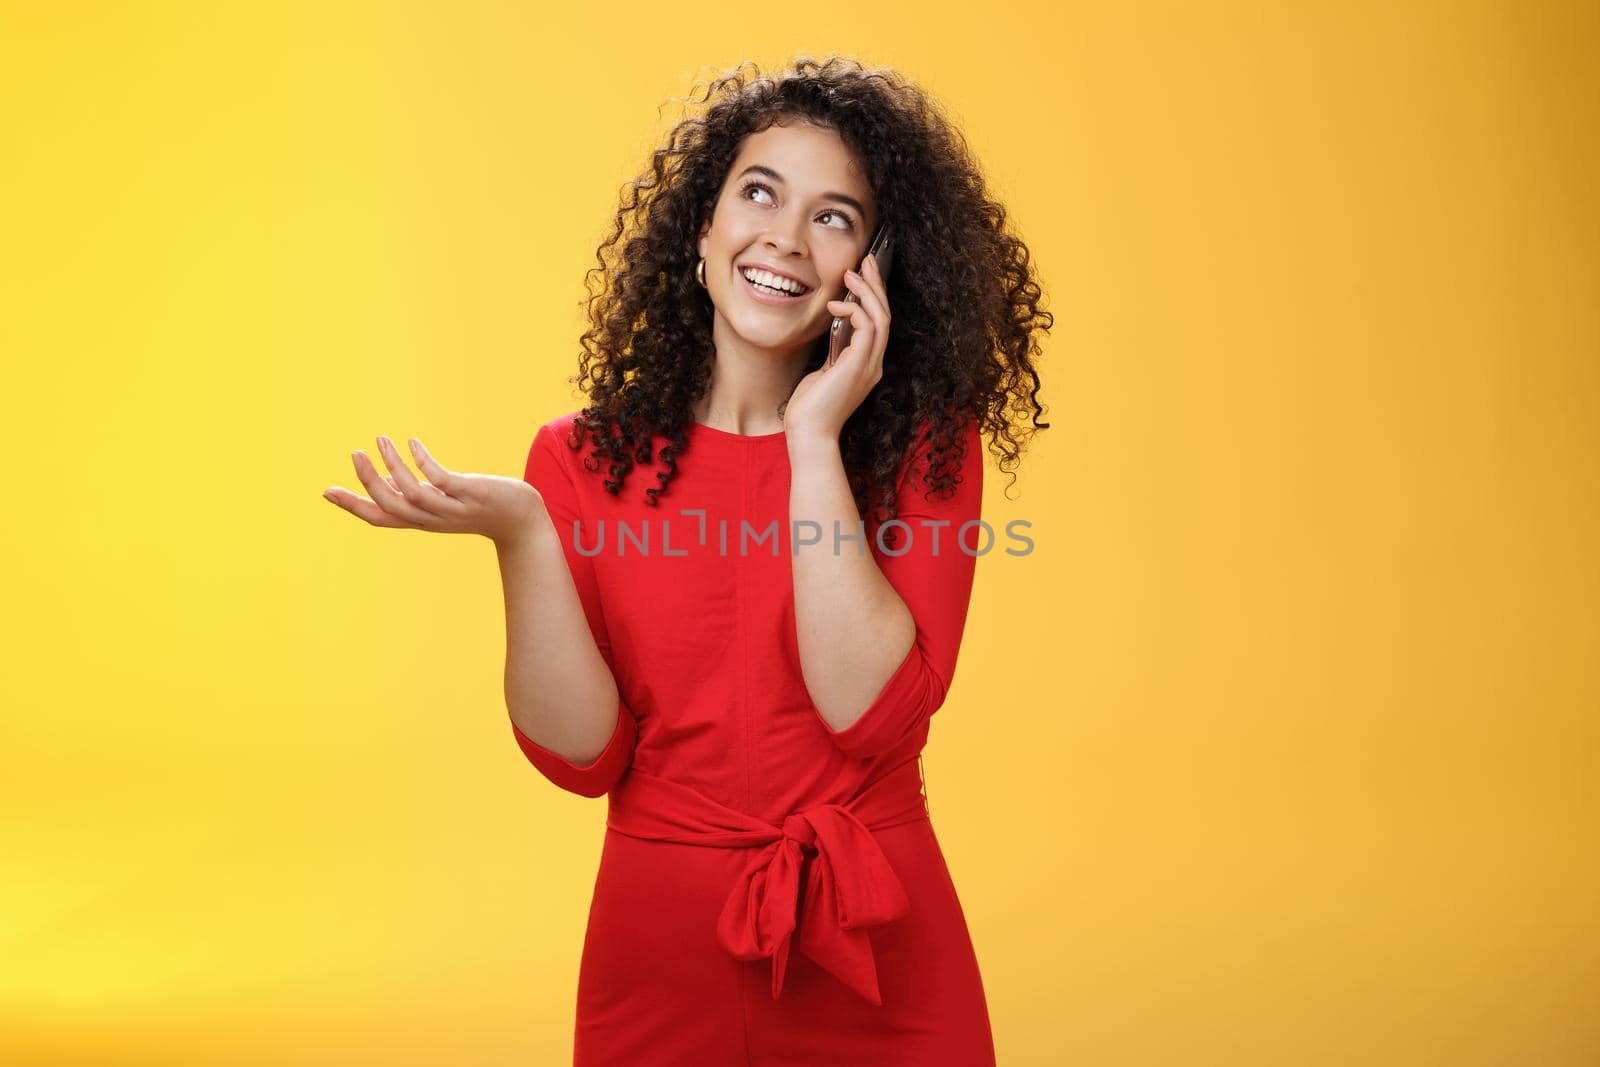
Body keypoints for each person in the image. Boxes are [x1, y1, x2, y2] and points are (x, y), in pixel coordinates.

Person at [323, 55, 1051, 1067]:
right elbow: (583, 759)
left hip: (877, 947)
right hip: (660, 956)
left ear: (874, 268)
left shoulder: (925, 447)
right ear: (700, 229)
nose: (786, 239)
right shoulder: (576, 459)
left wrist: (810, 438)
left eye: (834, 216)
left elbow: (865, 710)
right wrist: (525, 533)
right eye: (758, 192)